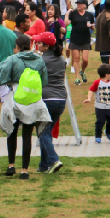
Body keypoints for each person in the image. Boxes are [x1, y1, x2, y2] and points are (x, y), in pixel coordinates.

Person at [0, 37, 50, 179]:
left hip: (16, 96)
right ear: (30, 45)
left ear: (17, 46)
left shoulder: (12, 59)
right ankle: (25, 169)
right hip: (33, 98)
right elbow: (44, 81)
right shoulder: (39, 59)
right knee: (27, 134)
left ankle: (11, 165)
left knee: (11, 132)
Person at [34, 33, 67, 174]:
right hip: (60, 99)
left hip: (46, 99)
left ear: (47, 46)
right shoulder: (61, 59)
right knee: (46, 132)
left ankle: (54, 160)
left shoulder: (41, 60)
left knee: (42, 132)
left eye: (40, 43)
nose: (37, 45)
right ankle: (43, 165)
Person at [84, 64, 110, 142]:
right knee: (100, 121)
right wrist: (89, 98)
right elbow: (91, 90)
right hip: (100, 107)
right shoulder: (97, 82)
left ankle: (108, 132)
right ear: (107, 75)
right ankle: (98, 136)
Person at [67, 0, 95, 84]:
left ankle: (82, 71)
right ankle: (77, 78)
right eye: (77, 4)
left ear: (84, 5)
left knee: (85, 59)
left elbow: (93, 26)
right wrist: (68, 12)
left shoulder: (89, 15)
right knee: (76, 59)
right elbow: (66, 23)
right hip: (75, 38)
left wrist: (91, 26)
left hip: (85, 39)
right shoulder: (73, 14)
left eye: (80, 4)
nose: (78, 5)